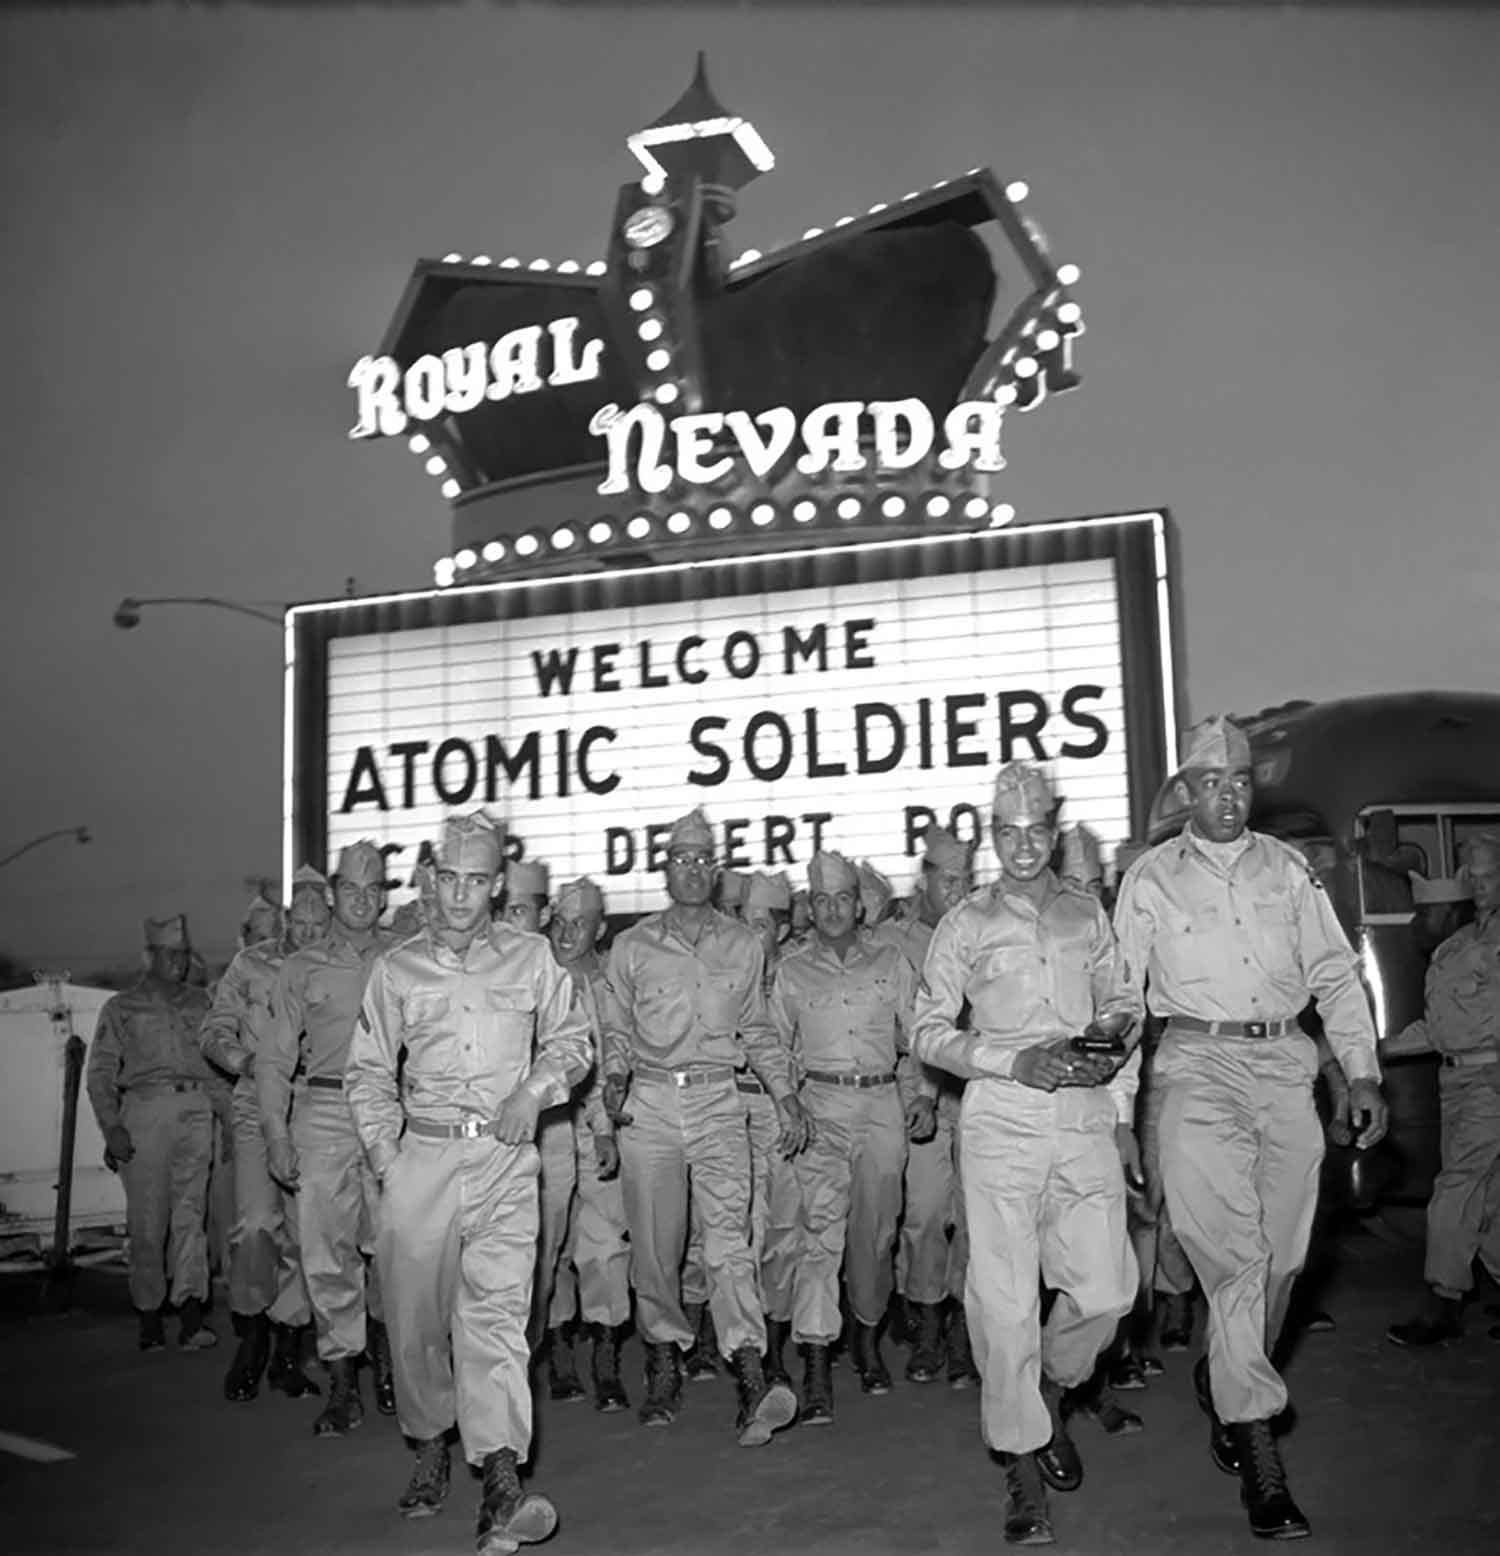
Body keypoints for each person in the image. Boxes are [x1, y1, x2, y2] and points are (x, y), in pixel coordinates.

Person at [1113, 715, 1387, 1541]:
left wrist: (1361, 1070)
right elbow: (1122, 1004)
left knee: (1284, 1260)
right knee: (1236, 1259)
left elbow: (1333, 971)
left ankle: (1229, 1372)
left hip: (1284, 1068)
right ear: (1187, 791)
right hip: (1196, 1068)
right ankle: (1257, 1442)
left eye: (1238, 782)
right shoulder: (1150, 880)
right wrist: (1119, 1112)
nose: (1227, 798)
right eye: (1211, 783)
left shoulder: (1288, 870)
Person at [347, 811, 593, 1550]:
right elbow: (367, 1073)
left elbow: (573, 1042)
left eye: (476, 881)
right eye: (449, 878)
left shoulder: (532, 957)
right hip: (419, 1161)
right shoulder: (397, 969)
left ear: (497, 885)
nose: (460, 895)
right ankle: (430, 1442)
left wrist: (534, 1092)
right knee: (417, 1324)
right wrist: (388, 1162)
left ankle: (500, 1481)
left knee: (497, 1319)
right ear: (430, 880)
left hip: (504, 1161)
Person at [913, 764, 1143, 1547]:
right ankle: (1021, 1462)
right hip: (1001, 1120)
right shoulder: (966, 923)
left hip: (1081, 1114)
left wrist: (1109, 1042)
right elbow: (928, 1032)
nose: (1021, 847)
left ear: (1052, 831)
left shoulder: (1086, 913)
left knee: (1108, 1290)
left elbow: (1126, 1001)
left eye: (1035, 832)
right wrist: (1011, 1060)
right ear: (992, 837)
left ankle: (1050, 1384)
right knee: (1005, 1303)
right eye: (1007, 834)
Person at [600, 807, 810, 1445]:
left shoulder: (742, 945)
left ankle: (750, 1374)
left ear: (716, 872)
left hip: (719, 1101)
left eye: (702, 861)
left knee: (729, 1243)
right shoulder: (633, 946)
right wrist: (614, 1078)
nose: (692, 870)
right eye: (681, 860)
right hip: (651, 1105)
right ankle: (664, 1360)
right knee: (656, 1249)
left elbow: (758, 1030)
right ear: (665, 868)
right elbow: (615, 1027)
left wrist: (785, 1097)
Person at [259, 839, 396, 1435]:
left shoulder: (407, 959)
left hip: (394, 1111)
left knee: (397, 1245)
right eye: (351, 890)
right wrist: (275, 1133)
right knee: (325, 1252)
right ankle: (343, 1385)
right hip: (323, 1109)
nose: (362, 900)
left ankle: (391, 1365)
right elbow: (273, 1057)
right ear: (334, 895)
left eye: (373, 890)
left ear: (383, 898)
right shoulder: (301, 967)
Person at [773, 851, 913, 1423]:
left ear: (859, 906)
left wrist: (922, 1096)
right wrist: (787, 1103)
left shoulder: (892, 962)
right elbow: (774, 1046)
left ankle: (867, 1335)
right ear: (810, 909)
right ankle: (815, 1362)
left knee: (876, 1236)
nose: (832, 910)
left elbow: (919, 1034)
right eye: (821, 900)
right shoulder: (791, 972)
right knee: (819, 1233)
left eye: (842, 899)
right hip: (821, 1108)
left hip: (882, 1105)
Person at [200, 870, 331, 1402]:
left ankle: (287, 1351)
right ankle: (251, 1336)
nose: (308, 932)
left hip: (313, 1104)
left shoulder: (340, 966)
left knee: (304, 1231)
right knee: (256, 1224)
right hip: (257, 1100)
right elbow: (213, 1031)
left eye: (318, 923)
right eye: (299, 923)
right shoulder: (250, 965)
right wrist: (245, 1062)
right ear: (286, 919)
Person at [87, 913, 224, 1352]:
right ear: (149, 956)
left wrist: (228, 1120)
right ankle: (149, 1314)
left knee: (191, 1217)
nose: (178, 962)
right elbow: (100, 1071)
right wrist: (112, 1126)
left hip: (196, 1111)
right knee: (148, 1221)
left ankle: (190, 1314)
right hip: (145, 1113)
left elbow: (217, 1068)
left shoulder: (202, 1003)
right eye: (169, 954)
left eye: (183, 954)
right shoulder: (122, 1008)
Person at [1386, 829, 1500, 1346]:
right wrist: (1373, 1051)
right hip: (1457, 1080)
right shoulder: (1456, 947)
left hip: (1489, 1082)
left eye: (1488, 875)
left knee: (1455, 1189)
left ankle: (1442, 1303)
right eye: (1472, 875)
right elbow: (1438, 1029)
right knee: (1486, 1196)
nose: (1479, 884)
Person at [877, 824, 977, 1387]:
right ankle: (928, 1322)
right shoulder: (894, 942)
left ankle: (963, 1328)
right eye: (948, 881)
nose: (958, 891)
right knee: (925, 1213)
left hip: (978, 1088)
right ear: (926, 881)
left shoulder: (985, 929)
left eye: (966, 880)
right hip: (918, 1090)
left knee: (976, 1213)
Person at [495, 857, 582, 1399]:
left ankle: (539, 1350)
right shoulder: (472, 968)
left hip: (550, 1134)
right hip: (486, 1136)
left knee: (545, 1257)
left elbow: (582, 1054)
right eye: (502, 910)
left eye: (521, 911)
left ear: (544, 916)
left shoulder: (557, 977)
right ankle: (497, 1374)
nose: (508, 922)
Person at [545, 876, 631, 1411]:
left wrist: (605, 1121)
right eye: (560, 921)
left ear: (599, 930)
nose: (567, 933)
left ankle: (605, 1355)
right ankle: (558, 1348)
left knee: (606, 1243)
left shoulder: (612, 983)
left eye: (580, 924)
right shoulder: (531, 976)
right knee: (548, 1241)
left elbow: (617, 1048)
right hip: (546, 1126)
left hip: (601, 1123)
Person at [738, 870, 802, 1389]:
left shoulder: (801, 977)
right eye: (742, 921)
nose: (747, 935)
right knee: (738, 1232)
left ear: (780, 931)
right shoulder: (722, 976)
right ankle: (746, 1351)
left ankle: (775, 1340)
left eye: (759, 925)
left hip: (784, 1117)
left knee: (783, 1232)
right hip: (733, 1112)